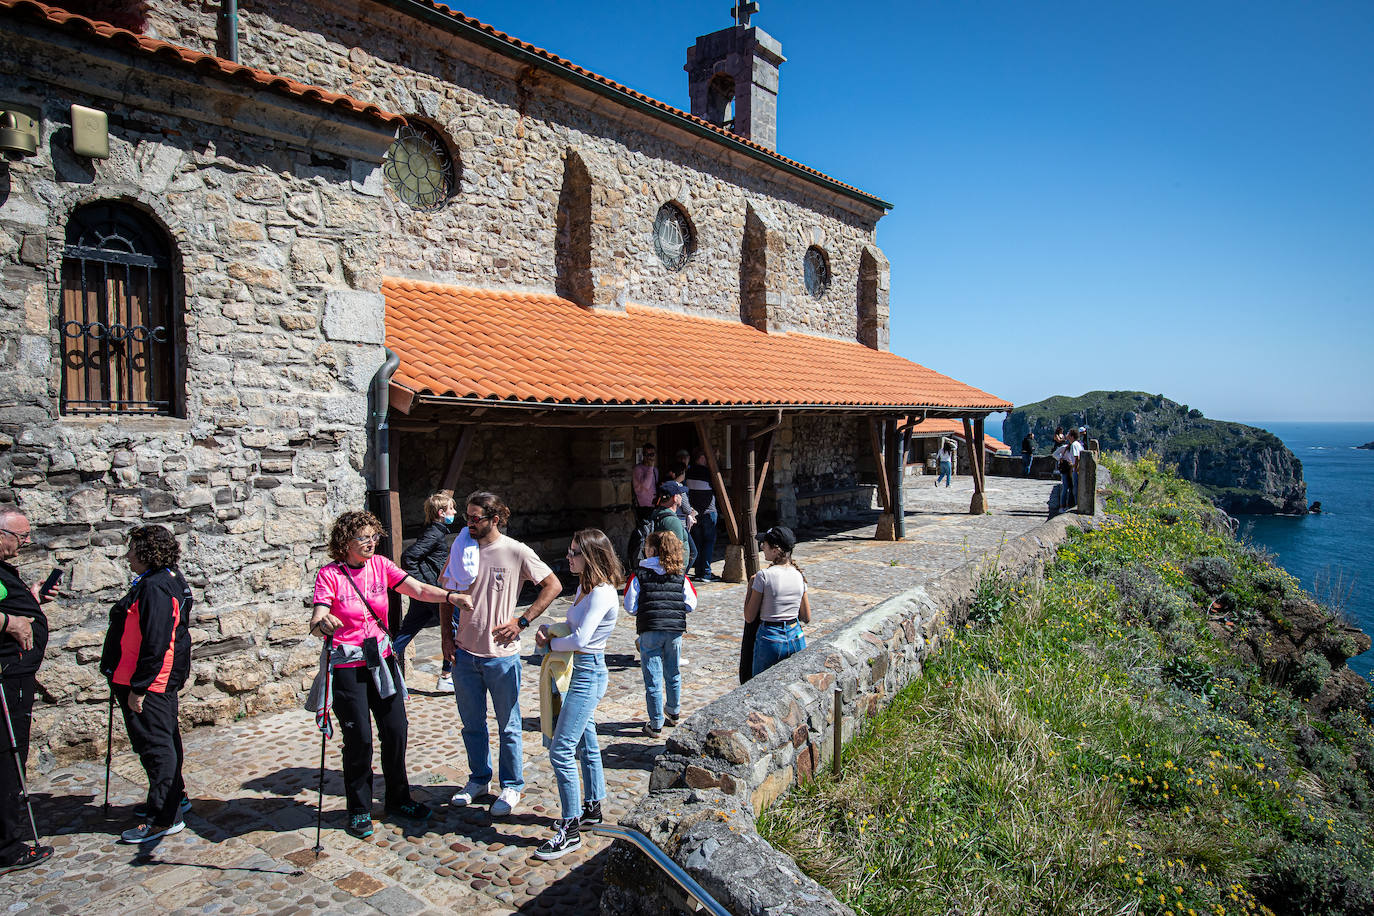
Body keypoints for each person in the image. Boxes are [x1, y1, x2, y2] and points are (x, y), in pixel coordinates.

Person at [310, 510, 470, 839]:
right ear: (345, 543)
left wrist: (450, 596)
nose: (371, 543)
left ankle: (398, 798)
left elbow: (418, 590)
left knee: (396, 730)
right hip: (347, 665)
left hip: (381, 660)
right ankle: (358, 808)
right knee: (359, 740)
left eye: (374, 537)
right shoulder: (330, 575)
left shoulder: (381, 567)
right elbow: (318, 617)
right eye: (363, 538)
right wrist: (322, 623)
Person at [442, 491, 561, 818]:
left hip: (501, 656)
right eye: (467, 517)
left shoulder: (515, 551)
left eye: (475, 518)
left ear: (495, 519)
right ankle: (479, 779)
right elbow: (446, 594)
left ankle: (512, 785)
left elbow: (552, 584)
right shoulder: (461, 548)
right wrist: (446, 639)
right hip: (465, 654)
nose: (468, 523)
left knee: (509, 725)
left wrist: (522, 621)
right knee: (472, 724)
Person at [100, 525, 194, 844]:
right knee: (164, 742)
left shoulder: (156, 586)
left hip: (148, 684)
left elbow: (156, 642)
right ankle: (173, 798)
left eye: (132, 550)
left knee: (156, 748)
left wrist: (139, 688)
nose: (127, 556)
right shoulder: (163, 579)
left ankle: (162, 818)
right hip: (143, 680)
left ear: (146, 552)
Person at [533, 528, 622, 860]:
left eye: (574, 553)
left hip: (587, 672)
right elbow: (576, 627)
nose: (568, 557)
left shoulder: (601, 593)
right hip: (579, 670)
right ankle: (593, 807)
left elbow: (583, 640)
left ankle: (569, 829)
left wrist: (551, 643)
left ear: (591, 556)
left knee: (561, 750)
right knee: (586, 740)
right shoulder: (586, 589)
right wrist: (553, 628)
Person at [0, 508, 55, 873]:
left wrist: (31, 602)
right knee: (6, 759)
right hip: (7, 679)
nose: (26, 542)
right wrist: (9, 621)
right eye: (21, 537)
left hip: (17, 674)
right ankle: (7, 846)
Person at [624, 530, 697, 737]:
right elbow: (691, 603)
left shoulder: (640, 574)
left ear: (653, 550)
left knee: (653, 677)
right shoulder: (680, 575)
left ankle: (655, 722)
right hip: (674, 630)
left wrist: (646, 609)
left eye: (646, 547)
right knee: (673, 672)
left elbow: (630, 606)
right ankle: (674, 711)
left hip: (649, 629)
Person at [394, 492, 458, 688]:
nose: (454, 512)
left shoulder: (436, 530)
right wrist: (422, 585)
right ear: (441, 512)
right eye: (451, 509)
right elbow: (409, 557)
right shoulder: (434, 533)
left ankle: (383, 663)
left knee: (406, 632)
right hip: (434, 594)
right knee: (454, 629)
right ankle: (447, 676)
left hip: (427, 594)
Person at [746, 526, 810, 677]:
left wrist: (750, 586)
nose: (762, 547)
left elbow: (749, 616)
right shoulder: (799, 575)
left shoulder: (763, 576)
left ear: (775, 550)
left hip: (770, 637)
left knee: (759, 689)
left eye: (765, 544)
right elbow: (807, 617)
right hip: (796, 636)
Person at [684, 450, 717, 581]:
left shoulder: (689, 472)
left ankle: (698, 571)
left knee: (697, 543)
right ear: (702, 457)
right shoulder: (707, 472)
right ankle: (706, 572)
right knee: (708, 543)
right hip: (708, 512)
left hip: (695, 512)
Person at [625, 444, 659, 566]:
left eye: (652, 455)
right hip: (643, 507)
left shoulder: (655, 470)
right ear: (643, 455)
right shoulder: (638, 469)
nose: (650, 458)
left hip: (653, 506)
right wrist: (649, 469)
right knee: (643, 535)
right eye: (648, 455)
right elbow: (645, 486)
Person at [652, 481, 689, 547]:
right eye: (680, 494)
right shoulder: (673, 522)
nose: (681, 496)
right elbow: (676, 552)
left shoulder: (656, 513)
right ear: (675, 498)